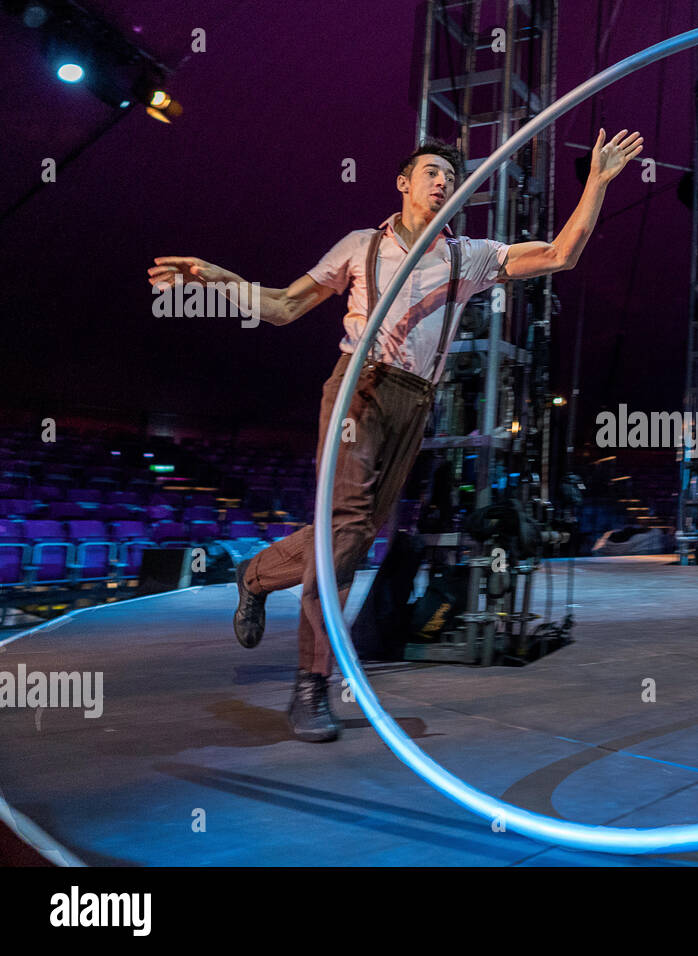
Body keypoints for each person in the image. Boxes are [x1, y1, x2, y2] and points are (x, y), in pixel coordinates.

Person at [147, 129, 643, 742]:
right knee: (348, 530)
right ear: (404, 183)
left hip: (416, 403)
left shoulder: (471, 256)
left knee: (353, 534)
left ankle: (257, 574)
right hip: (361, 389)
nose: (441, 181)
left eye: (450, 177)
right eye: (430, 171)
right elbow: (279, 307)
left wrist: (595, 181)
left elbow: (560, 255)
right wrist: (214, 277)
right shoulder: (360, 246)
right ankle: (312, 682)